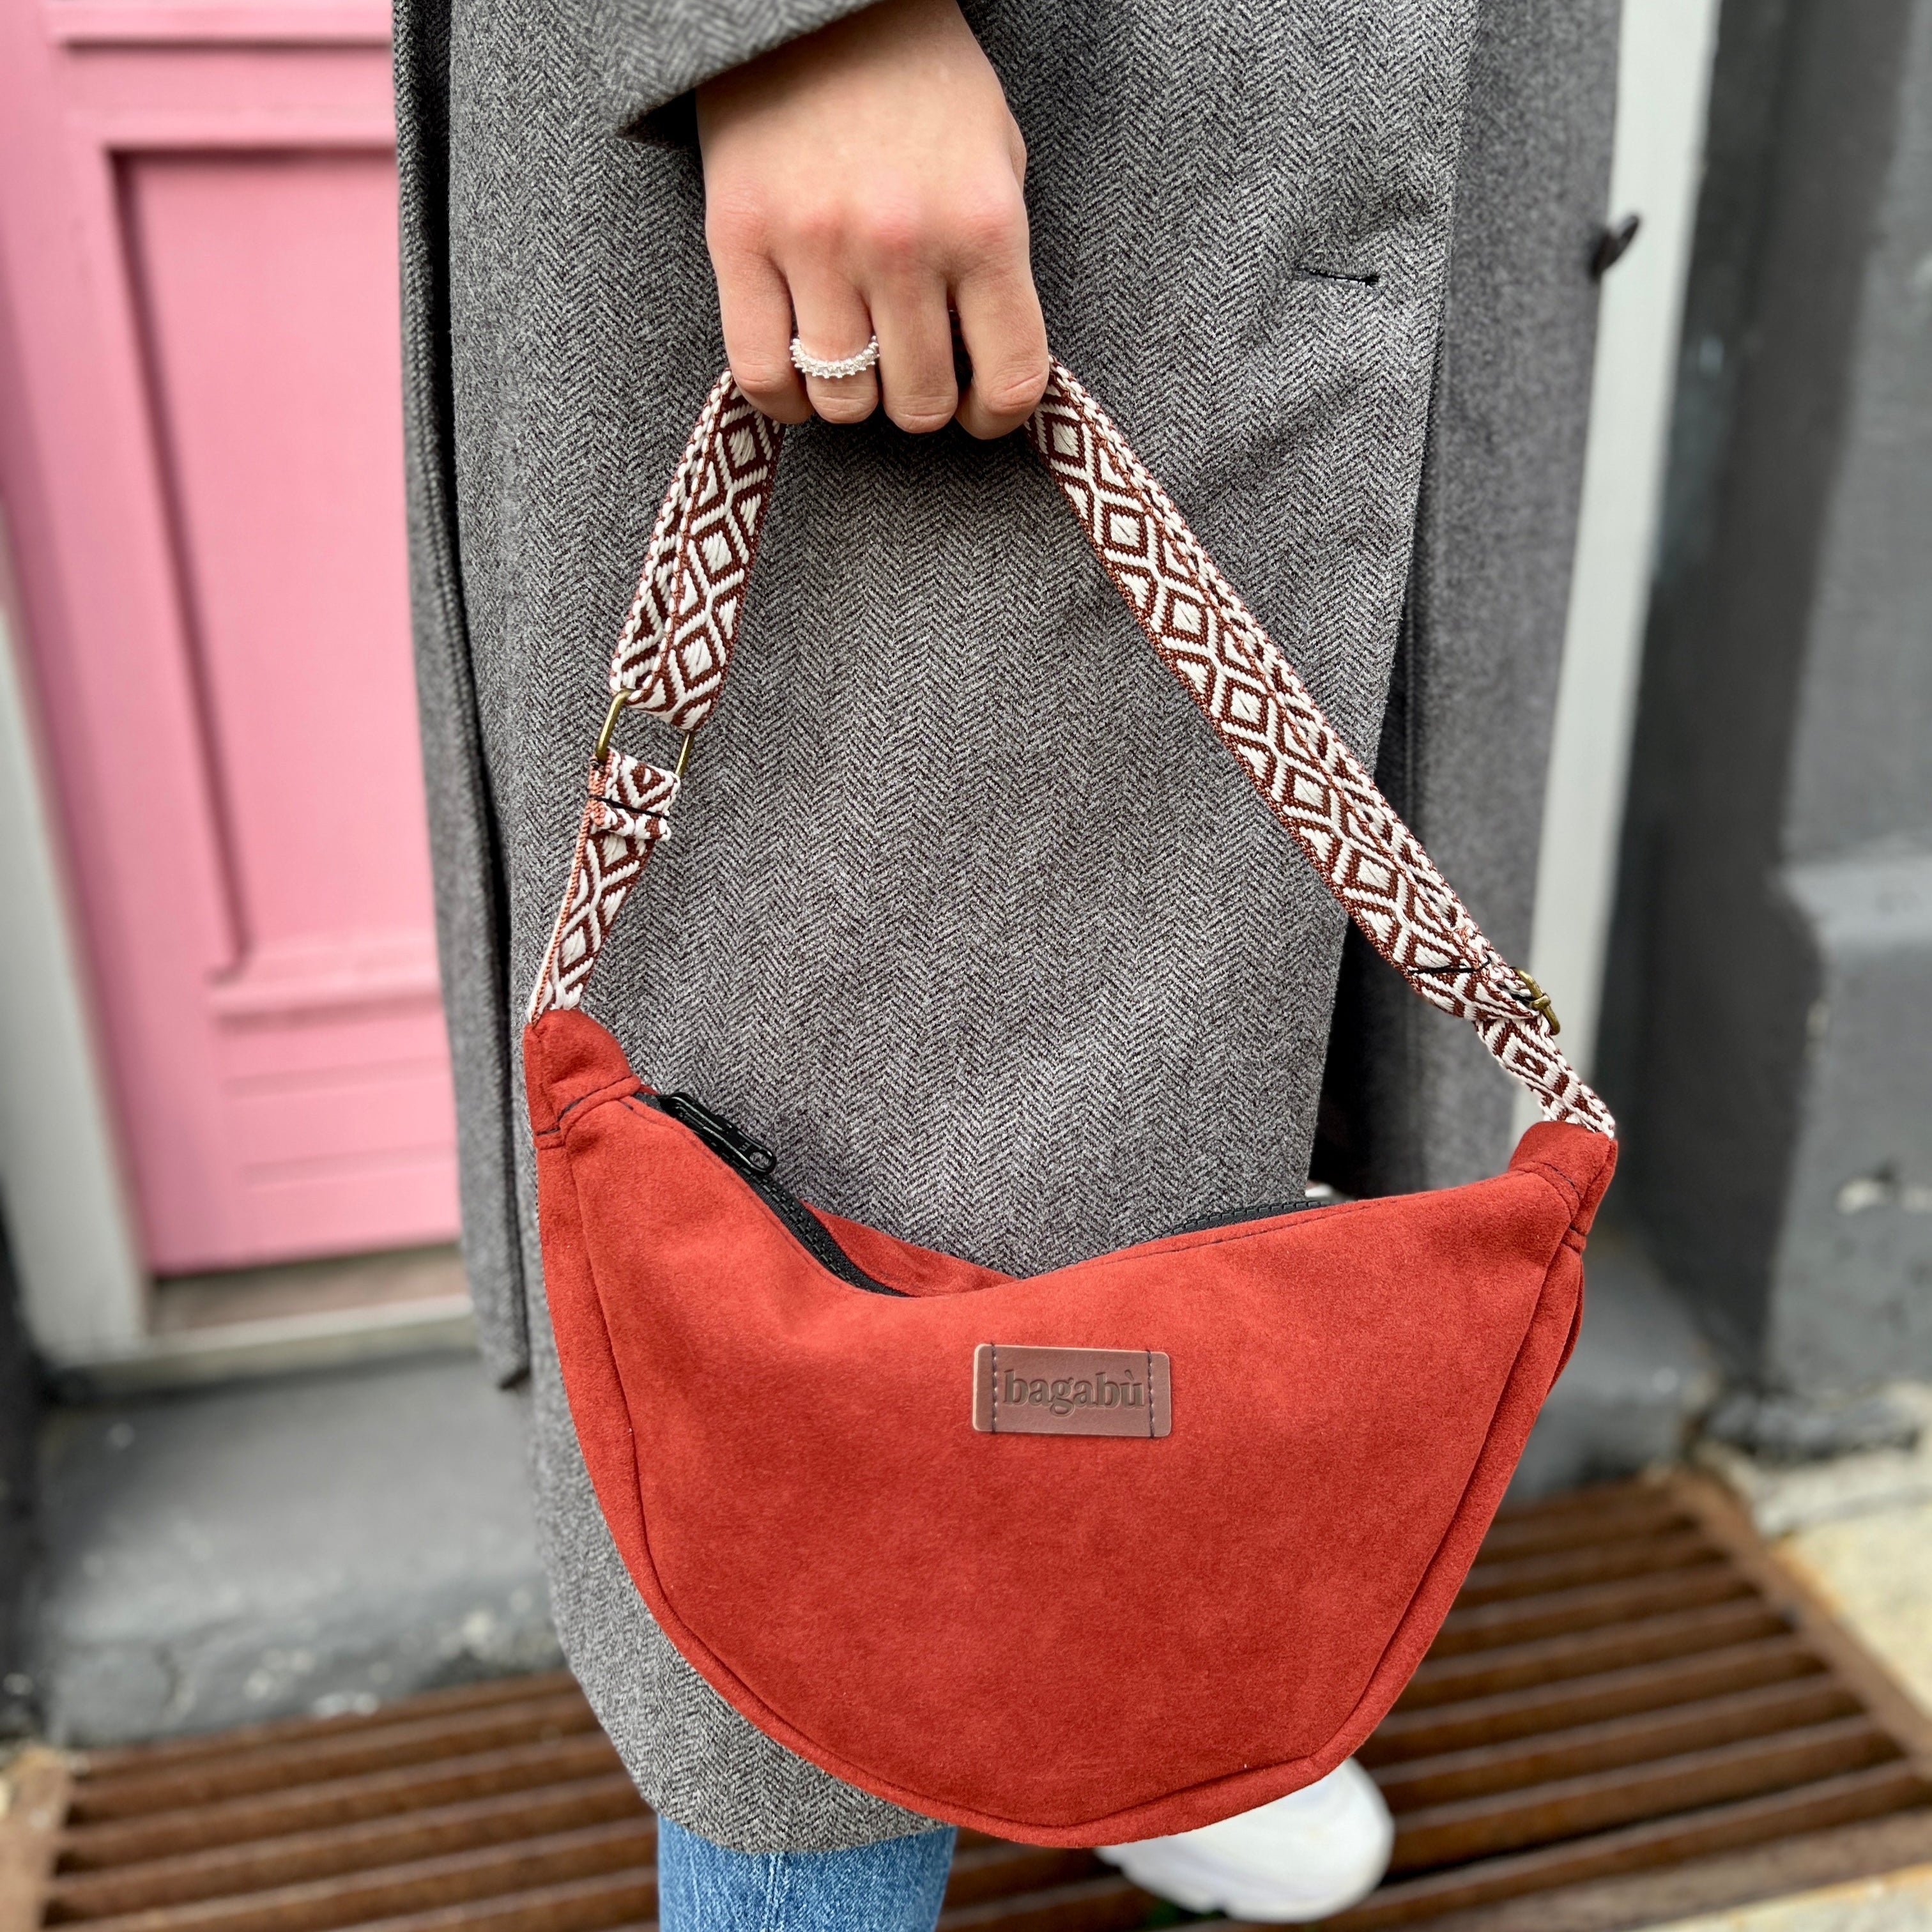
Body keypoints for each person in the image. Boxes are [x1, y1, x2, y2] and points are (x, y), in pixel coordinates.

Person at [395, 0, 1618, 1923]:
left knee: (1265, 1092)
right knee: (820, 1227)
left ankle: (1149, 1692)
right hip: (936, 137)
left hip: (1388, 133)